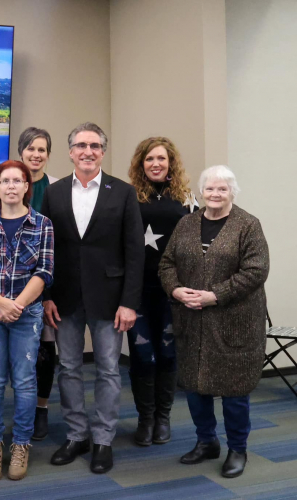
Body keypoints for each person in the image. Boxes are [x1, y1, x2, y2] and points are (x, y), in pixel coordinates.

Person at [42, 122, 144, 474]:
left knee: (108, 370)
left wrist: (130, 302)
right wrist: (47, 296)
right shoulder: (53, 194)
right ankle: (76, 434)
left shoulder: (124, 192)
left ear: (103, 151)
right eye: (81, 145)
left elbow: (135, 252)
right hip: (64, 297)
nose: (88, 151)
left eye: (95, 145)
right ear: (70, 152)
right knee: (68, 368)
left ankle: (102, 439)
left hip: (110, 299)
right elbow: (46, 249)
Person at [159, 165, 269, 479]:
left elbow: (255, 271)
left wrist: (213, 295)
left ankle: (237, 448)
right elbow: (167, 263)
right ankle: (206, 441)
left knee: (235, 392)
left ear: (232, 192)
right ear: (202, 191)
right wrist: (176, 289)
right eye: (210, 189)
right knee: (196, 387)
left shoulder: (247, 225)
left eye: (222, 189)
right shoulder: (187, 223)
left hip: (236, 323)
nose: (215, 194)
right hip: (192, 321)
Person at [0, 160, 54, 482]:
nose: (12, 186)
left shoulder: (42, 224)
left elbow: (45, 271)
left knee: (24, 380)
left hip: (27, 313)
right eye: (5, 181)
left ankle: (20, 444)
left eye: (18, 181)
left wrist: (16, 305)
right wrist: (0, 303)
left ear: (26, 187)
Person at [126, 137, 198, 447]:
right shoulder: (129, 199)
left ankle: (163, 418)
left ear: (170, 163)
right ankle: (146, 418)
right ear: (141, 164)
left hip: (174, 292)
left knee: (168, 354)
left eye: (161, 158)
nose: (156, 163)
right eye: (149, 159)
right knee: (143, 355)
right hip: (138, 292)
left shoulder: (187, 200)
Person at [17, 127, 59, 441]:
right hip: (11, 288)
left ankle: (40, 409)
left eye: (42, 149)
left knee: (45, 350)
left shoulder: (59, 189)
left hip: (47, 285)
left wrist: (48, 294)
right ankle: (20, 408)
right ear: (21, 152)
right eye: (31, 148)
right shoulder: (8, 182)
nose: (36, 154)